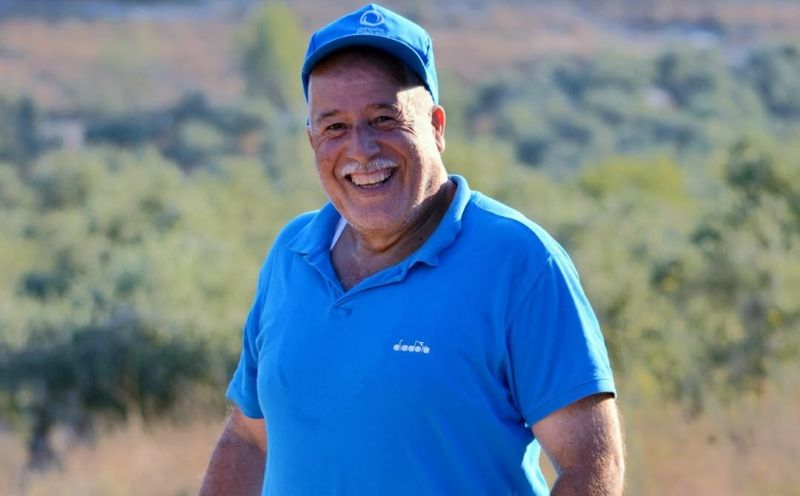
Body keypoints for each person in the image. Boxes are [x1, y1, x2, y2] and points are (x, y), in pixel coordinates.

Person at [198, 4, 624, 495]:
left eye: (384, 119)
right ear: (312, 138)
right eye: (334, 127)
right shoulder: (291, 253)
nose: (361, 149)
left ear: (437, 127)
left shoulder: (519, 261)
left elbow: (591, 464)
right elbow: (250, 438)